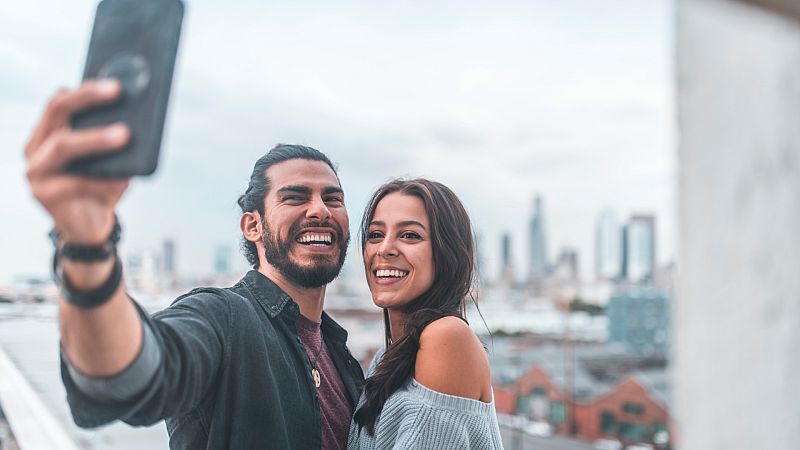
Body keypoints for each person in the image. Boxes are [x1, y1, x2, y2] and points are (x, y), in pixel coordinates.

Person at [24, 80, 364, 449]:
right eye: (295, 197)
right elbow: (128, 377)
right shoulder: (223, 317)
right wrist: (87, 247)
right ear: (253, 226)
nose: (320, 209)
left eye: (333, 198)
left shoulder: (340, 353)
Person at [348, 179, 504, 449]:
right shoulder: (386, 358)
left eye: (410, 235)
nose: (384, 249)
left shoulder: (447, 337)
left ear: (447, 253)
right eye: (375, 235)